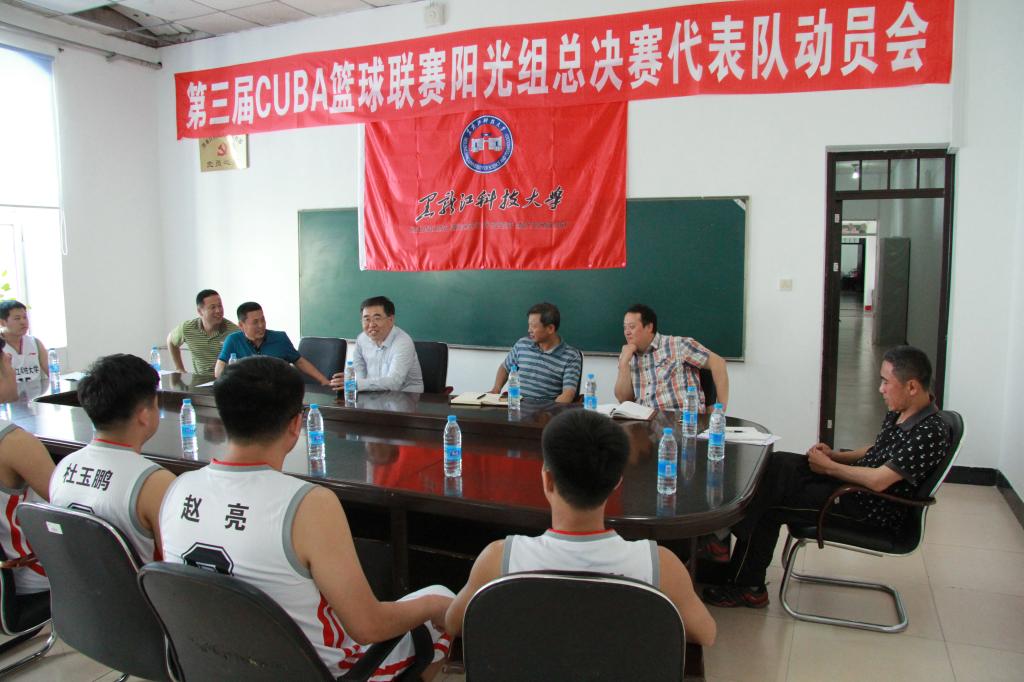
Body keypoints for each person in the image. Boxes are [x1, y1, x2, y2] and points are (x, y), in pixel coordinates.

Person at [160, 357, 453, 679]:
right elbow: (368, 627)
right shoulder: (308, 504)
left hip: (211, 664)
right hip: (316, 672)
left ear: (222, 417)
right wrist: (433, 605)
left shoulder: (177, 488)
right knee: (442, 595)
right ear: (296, 424)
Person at [702, 346, 950, 608]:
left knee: (770, 502)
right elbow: (877, 450)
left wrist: (829, 467)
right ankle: (726, 543)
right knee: (777, 462)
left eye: (886, 382)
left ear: (912, 387)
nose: (881, 389)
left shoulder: (930, 431)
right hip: (854, 486)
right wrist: (835, 456)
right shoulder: (903, 409)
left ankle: (744, 581)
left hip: (867, 506)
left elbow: (879, 480)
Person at [444, 409, 717, 647]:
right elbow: (706, 634)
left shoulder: (498, 560)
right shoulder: (661, 566)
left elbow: (454, 624)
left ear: (547, 480)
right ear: (617, 482)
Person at [48, 354, 175, 562]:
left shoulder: (63, 467)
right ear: (144, 414)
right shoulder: (155, 482)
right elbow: (175, 565)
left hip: (75, 582)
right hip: (137, 584)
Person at [614, 303, 729, 413]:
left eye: (632, 327)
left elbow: (718, 363)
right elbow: (624, 400)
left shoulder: (678, 345)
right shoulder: (628, 356)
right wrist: (624, 363)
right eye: (625, 327)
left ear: (649, 327)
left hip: (680, 418)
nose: (627, 332)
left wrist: (719, 410)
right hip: (644, 419)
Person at [0, 370, 54, 593]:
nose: (13, 369)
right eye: (6, 359)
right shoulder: (14, 442)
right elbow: (68, 506)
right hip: (23, 571)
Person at [215, 302, 329, 385]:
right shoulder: (233, 340)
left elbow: (299, 361)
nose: (261, 325)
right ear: (241, 325)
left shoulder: (280, 338)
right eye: (255, 322)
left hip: (278, 393)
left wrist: (324, 381)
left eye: (263, 320)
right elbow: (219, 370)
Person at [489, 302, 582, 403]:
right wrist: (496, 389)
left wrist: (552, 410)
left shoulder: (571, 356)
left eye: (533, 326)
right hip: (517, 405)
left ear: (550, 328)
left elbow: (568, 394)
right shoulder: (522, 344)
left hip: (546, 410)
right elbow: (505, 368)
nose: (529, 330)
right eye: (529, 325)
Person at [330, 296, 424, 393]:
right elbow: (359, 371)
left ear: (391, 320)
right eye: (366, 319)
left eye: (377, 318)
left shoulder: (403, 342)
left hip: (406, 395)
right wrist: (351, 380)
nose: (371, 325)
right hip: (376, 394)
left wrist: (357, 384)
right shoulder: (362, 339)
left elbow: (394, 383)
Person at [167, 289, 239, 375]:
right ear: (200, 311)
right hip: (199, 381)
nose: (218, 311)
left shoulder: (234, 332)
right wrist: (179, 368)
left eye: (220, 306)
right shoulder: (188, 328)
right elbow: (171, 340)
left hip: (224, 380)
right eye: (213, 307)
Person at [0, 300, 49, 384]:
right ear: (2, 322)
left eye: (25, 317)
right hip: (10, 392)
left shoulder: (35, 343)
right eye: (17, 318)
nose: (23, 322)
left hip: (36, 391)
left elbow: (52, 373)